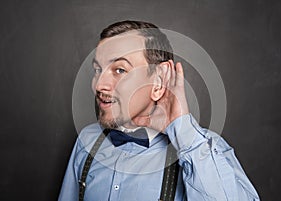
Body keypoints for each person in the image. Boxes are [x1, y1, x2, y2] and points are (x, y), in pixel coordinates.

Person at [58, 20, 260, 201]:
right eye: (97, 70)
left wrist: (184, 131)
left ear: (158, 80)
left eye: (120, 70)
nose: (99, 85)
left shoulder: (204, 150)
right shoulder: (87, 141)